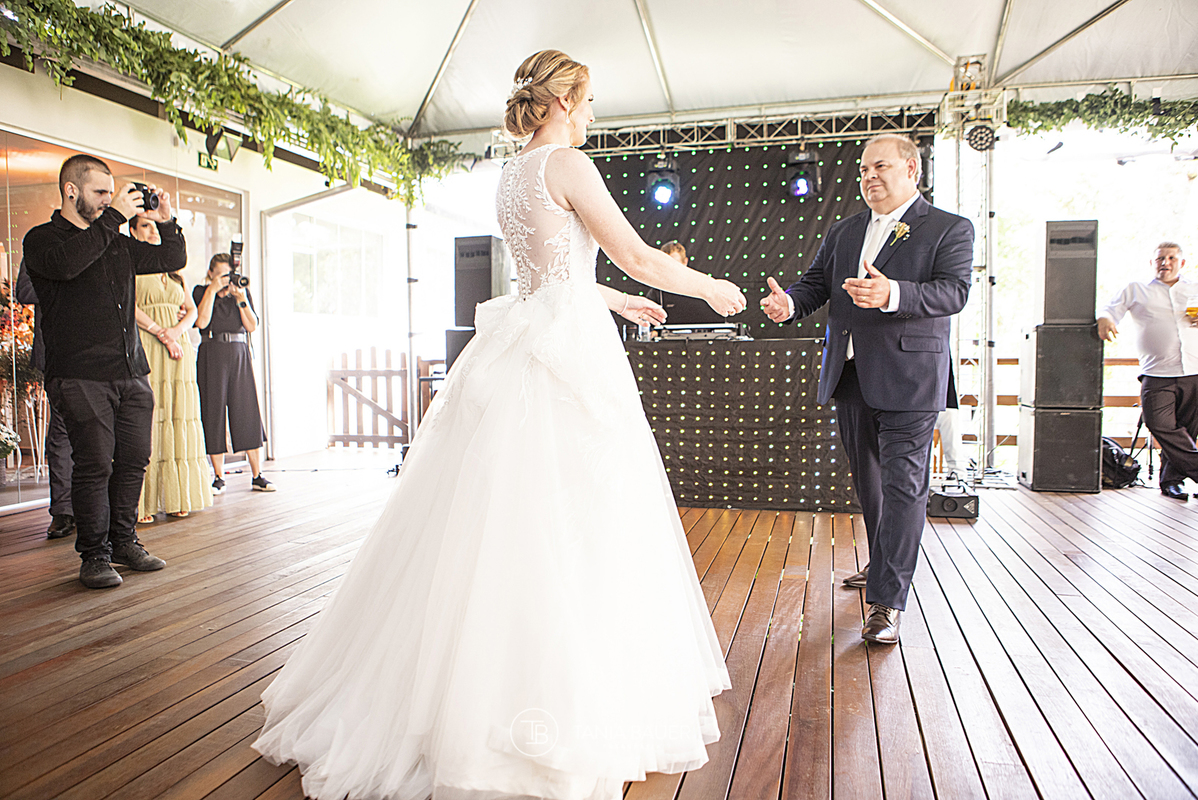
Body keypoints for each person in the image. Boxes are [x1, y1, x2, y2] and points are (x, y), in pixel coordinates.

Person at [253, 49, 744, 800]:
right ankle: (555, 702)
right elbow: (638, 255)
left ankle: (466, 688)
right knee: (575, 516)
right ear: (561, 101)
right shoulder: (568, 165)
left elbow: (550, 274)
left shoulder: (512, 172)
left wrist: (615, 304)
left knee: (500, 518)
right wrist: (707, 286)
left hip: (526, 342)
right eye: (585, 100)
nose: (590, 113)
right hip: (564, 358)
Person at [760, 133, 973, 644]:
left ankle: (887, 602)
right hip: (850, 374)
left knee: (904, 487)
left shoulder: (949, 228)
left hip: (911, 378)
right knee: (871, 484)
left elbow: (955, 291)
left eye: (880, 167)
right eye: (862, 170)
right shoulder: (845, 230)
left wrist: (893, 292)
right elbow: (816, 284)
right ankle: (883, 566)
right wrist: (789, 303)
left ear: (911, 171)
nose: (868, 177)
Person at [23, 154, 184, 588]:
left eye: (111, 195)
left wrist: (167, 220)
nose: (107, 201)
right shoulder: (42, 240)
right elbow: (68, 265)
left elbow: (171, 255)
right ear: (71, 191)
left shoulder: (113, 240)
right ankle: (94, 556)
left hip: (131, 370)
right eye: (99, 194)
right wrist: (113, 218)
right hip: (78, 373)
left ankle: (124, 541)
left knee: (133, 460)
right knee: (94, 464)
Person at [1098, 242, 1198, 501]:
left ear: (1182, 263)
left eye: (1171, 258)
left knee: (1186, 430)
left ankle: (1171, 482)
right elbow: (1110, 309)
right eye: (1160, 258)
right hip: (1157, 372)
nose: (1165, 262)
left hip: (1195, 370)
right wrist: (1106, 318)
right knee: (1159, 424)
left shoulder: (1196, 289)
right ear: (1152, 263)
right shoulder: (1137, 290)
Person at [129, 216, 213, 522]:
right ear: (133, 232)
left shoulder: (175, 270)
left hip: (178, 349)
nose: (152, 232)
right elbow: (129, 305)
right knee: (150, 417)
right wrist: (160, 331)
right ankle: (143, 502)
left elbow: (192, 310)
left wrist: (175, 332)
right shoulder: (132, 264)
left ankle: (178, 496)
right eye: (145, 227)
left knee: (180, 415)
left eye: (155, 226)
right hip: (148, 344)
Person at [193, 254, 273, 494]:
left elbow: (251, 326)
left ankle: (257, 474)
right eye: (221, 275)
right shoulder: (201, 291)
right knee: (213, 410)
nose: (226, 280)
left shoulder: (241, 294)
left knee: (246, 409)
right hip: (211, 352)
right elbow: (202, 321)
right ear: (211, 274)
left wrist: (241, 299)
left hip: (239, 352)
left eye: (229, 275)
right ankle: (218, 476)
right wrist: (212, 290)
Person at [15, 259, 76, 539]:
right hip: (54, 354)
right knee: (61, 434)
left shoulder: (95, 246)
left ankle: (92, 507)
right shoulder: (39, 249)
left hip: (97, 354)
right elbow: (24, 292)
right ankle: (63, 511)